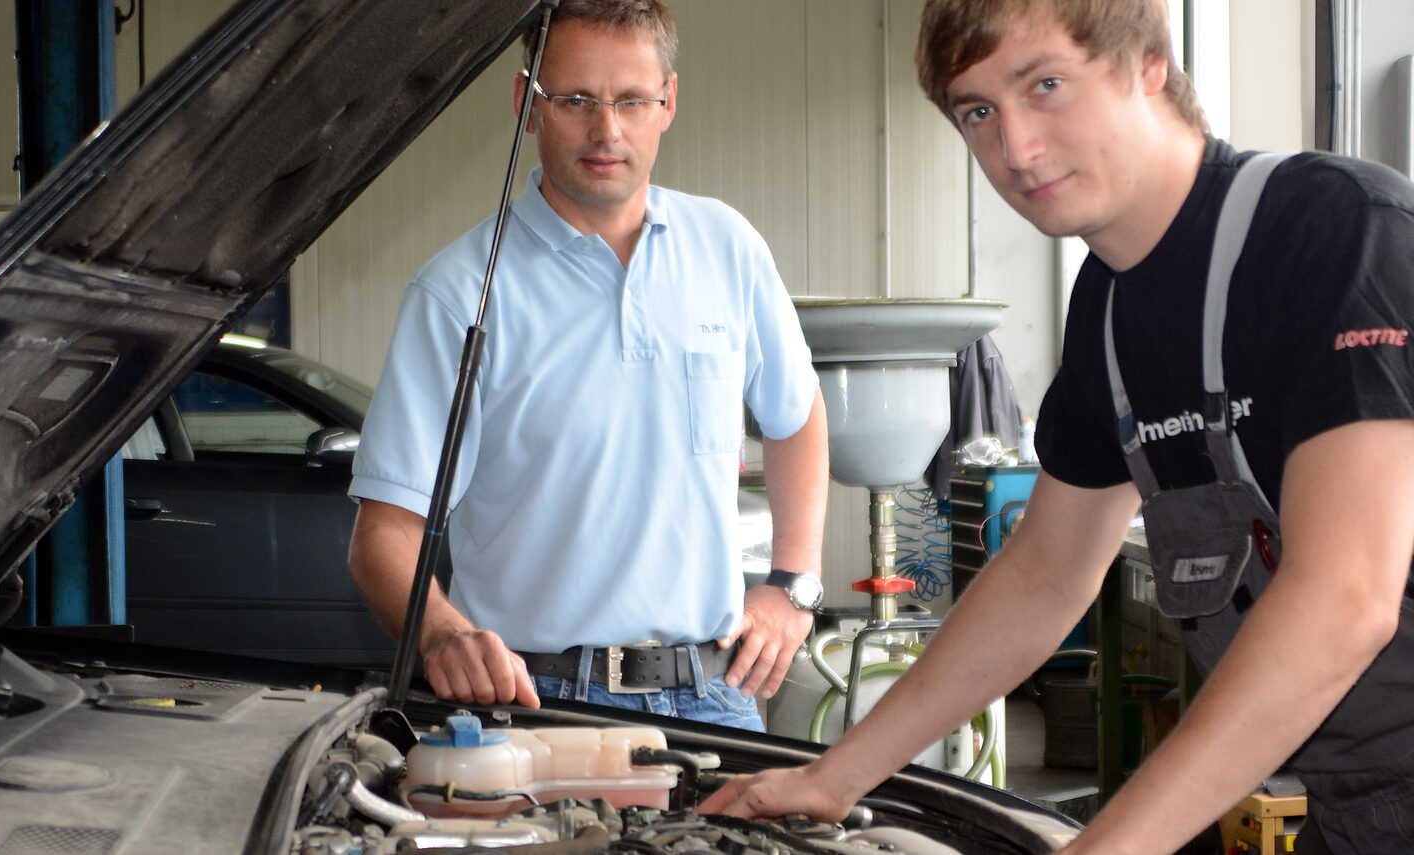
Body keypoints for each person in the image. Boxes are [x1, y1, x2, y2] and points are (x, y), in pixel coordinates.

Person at [701, 0, 1414, 851]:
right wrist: (834, 775)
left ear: (1149, 62)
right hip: (1354, 806)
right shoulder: (1109, 316)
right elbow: (1044, 574)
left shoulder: (1335, 234)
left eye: (1046, 85)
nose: (1015, 149)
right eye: (978, 112)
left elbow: (1346, 597)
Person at [347, 0, 828, 730]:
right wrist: (443, 633)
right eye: (575, 100)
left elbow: (797, 414)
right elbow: (383, 534)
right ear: (526, 103)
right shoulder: (459, 293)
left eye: (632, 100)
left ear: (667, 101)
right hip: (537, 701)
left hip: (714, 694)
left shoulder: (727, 249)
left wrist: (793, 584)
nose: (608, 131)